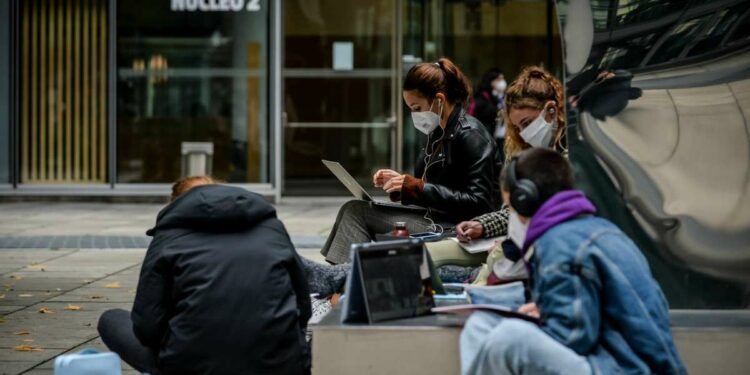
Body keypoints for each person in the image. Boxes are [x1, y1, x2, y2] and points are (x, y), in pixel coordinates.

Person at [460, 148, 686, 375]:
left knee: (511, 339)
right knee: (481, 325)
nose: (510, 218)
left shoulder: (560, 243)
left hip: (624, 368)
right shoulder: (594, 229)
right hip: (613, 357)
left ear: (525, 200)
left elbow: (573, 337)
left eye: (510, 208)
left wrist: (545, 316)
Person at [97, 176, 312, 375]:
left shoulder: (167, 235)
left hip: (192, 367)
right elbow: (303, 306)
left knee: (111, 319)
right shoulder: (271, 227)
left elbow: (147, 327)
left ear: (175, 205)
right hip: (280, 365)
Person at [319, 57, 501, 265]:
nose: (414, 115)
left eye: (417, 108)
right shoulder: (438, 132)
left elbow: (480, 203)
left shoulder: (471, 135)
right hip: (434, 217)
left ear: (439, 100)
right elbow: (433, 186)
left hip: (453, 226)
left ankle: (339, 285)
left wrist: (418, 188)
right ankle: (341, 285)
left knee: (356, 212)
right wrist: (401, 184)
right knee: (354, 209)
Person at [428, 65, 566, 282]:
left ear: (551, 111)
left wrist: (510, 240)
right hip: (505, 240)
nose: (524, 133)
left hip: (535, 244)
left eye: (527, 123)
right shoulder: (525, 154)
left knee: (491, 263)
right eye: (518, 127)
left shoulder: (572, 154)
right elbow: (511, 210)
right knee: (427, 254)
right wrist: (481, 225)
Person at [468, 68, 505, 140]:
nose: (502, 82)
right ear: (491, 81)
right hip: (481, 136)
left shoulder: (494, 96)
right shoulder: (482, 97)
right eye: (499, 79)